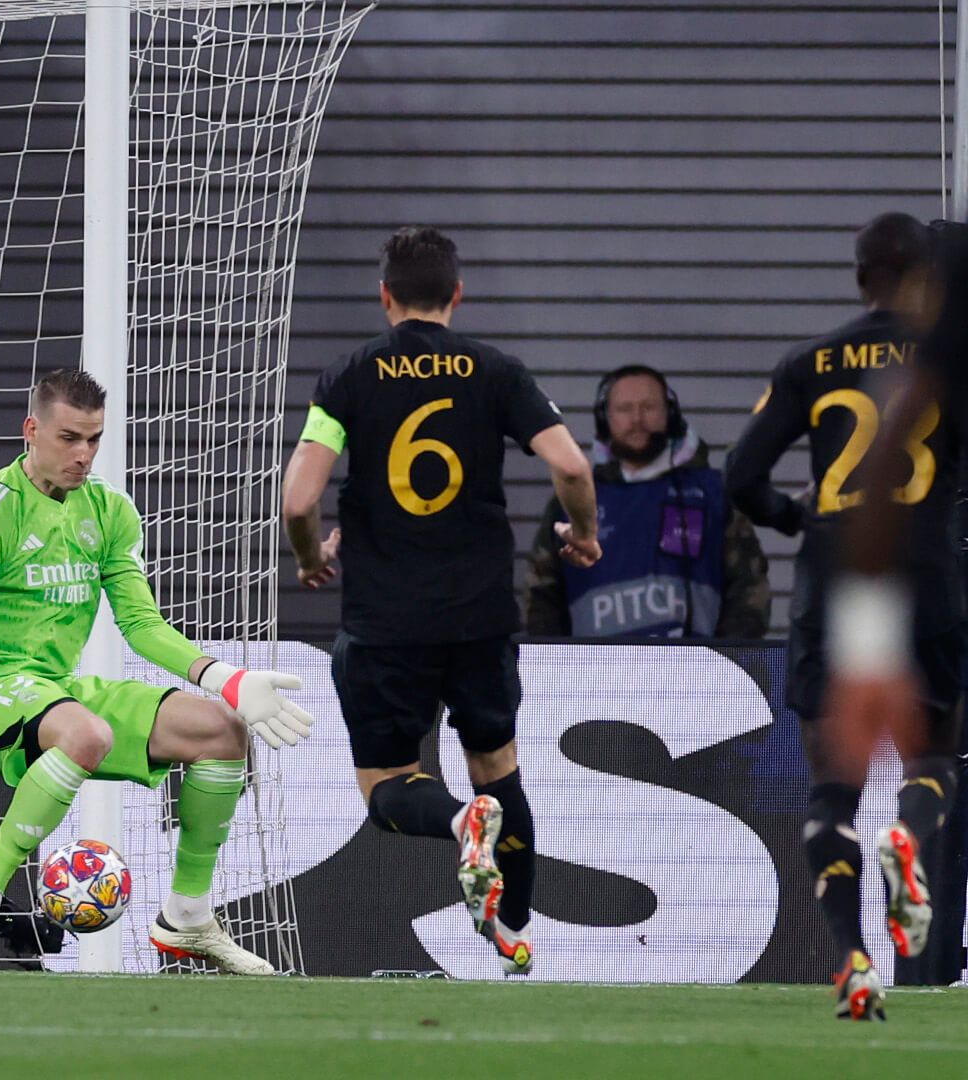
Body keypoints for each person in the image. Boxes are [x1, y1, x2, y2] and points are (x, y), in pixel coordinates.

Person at [0, 368, 314, 975]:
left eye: (94, 439)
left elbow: (142, 625)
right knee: (87, 734)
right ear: (32, 430)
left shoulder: (109, 511)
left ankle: (187, 917)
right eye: (70, 438)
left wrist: (223, 678)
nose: (83, 454)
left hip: (58, 690)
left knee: (222, 730)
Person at [279, 226, 599, 976]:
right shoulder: (497, 371)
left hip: (386, 619)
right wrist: (581, 534)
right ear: (457, 294)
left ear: (384, 295)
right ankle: (514, 930)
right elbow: (572, 466)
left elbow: (298, 500)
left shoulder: (349, 376)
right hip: (481, 615)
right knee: (498, 762)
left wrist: (311, 555)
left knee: (388, 786)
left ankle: (458, 821)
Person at [724, 211, 960, 1021]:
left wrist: (797, 518)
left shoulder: (812, 362)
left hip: (837, 574)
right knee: (933, 754)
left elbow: (740, 475)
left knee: (832, 787)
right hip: (926, 569)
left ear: (860, 277)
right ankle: (911, 827)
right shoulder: (947, 365)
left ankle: (854, 962)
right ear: (926, 280)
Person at [526, 364, 776, 638]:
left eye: (648, 407)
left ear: (670, 414)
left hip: (696, 675)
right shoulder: (574, 499)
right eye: (624, 409)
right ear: (604, 418)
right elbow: (541, 597)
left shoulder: (713, 494)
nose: (637, 419)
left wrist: (724, 664)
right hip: (596, 676)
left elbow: (749, 590)